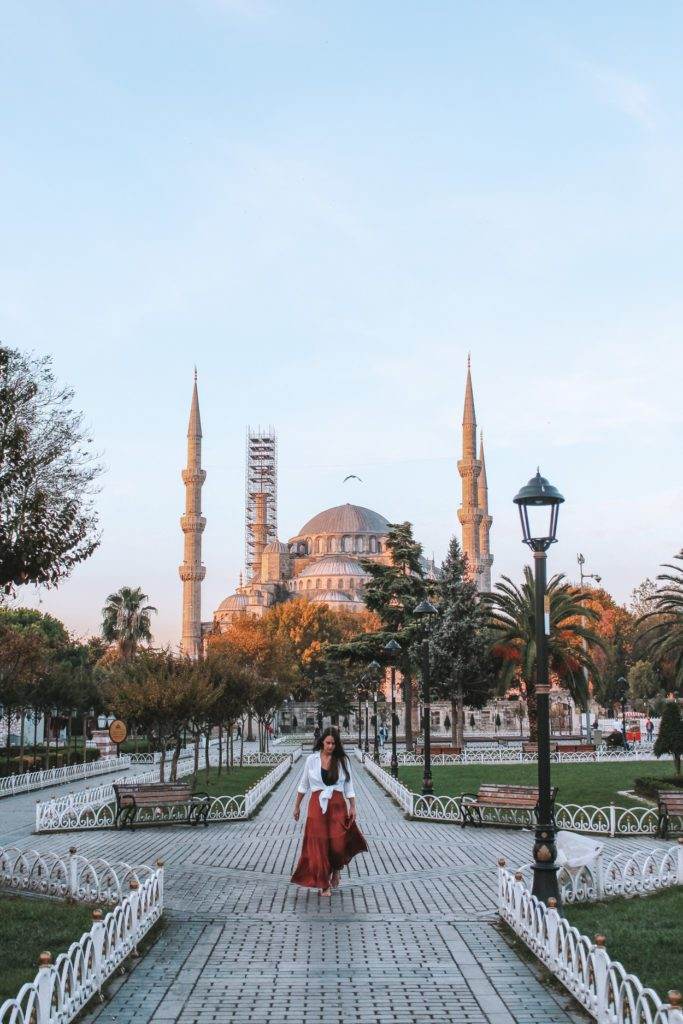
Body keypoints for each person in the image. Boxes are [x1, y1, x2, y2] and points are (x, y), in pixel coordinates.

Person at [291, 727, 368, 896]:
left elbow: (349, 786)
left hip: (338, 804)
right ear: (322, 742)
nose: (331, 746)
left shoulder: (341, 760)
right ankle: (323, 883)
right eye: (328, 743)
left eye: (333, 743)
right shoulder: (311, 760)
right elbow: (303, 785)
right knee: (318, 844)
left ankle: (337, 868)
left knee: (337, 843)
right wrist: (297, 807)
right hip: (316, 806)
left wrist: (353, 806)